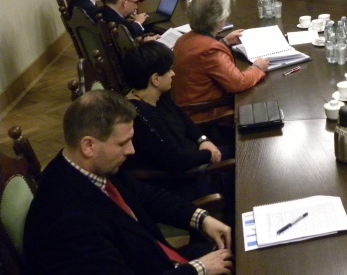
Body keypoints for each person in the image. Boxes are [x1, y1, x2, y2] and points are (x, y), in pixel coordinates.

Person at [23, 90, 233, 275]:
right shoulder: (68, 220)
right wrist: (198, 269)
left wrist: (201, 218)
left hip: (157, 259)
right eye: (122, 143)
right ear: (88, 146)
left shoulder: (93, 166)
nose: (131, 150)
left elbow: (146, 195)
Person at [122, 42, 232, 202]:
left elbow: (184, 120)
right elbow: (177, 160)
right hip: (186, 179)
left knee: (244, 149)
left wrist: (203, 140)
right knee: (248, 161)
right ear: (155, 79)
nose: (173, 74)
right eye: (169, 70)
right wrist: (209, 154)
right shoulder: (141, 116)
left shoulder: (158, 95)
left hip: (196, 157)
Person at [171, 0, 269, 108]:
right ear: (219, 20)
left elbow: (203, 58)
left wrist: (224, 42)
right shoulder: (211, 50)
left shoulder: (183, 39)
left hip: (184, 104)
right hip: (206, 110)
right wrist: (257, 68)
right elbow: (239, 83)